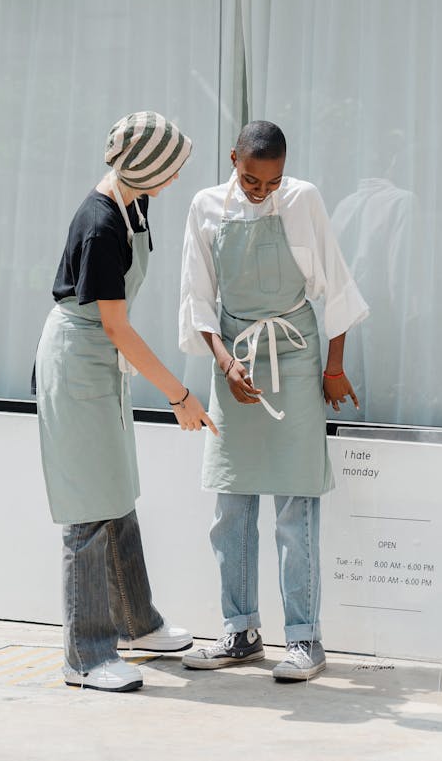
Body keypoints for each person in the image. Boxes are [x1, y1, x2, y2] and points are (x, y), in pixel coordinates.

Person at [34, 111, 218, 693]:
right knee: (88, 509)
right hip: (80, 359)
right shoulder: (101, 223)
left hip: (99, 360)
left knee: (116, 493)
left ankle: (137, 626)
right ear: (145, 167)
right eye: (170, 167)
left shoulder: (132, 202)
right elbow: (116, 325)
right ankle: (85, 656)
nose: (175, 177)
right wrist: (180, 395)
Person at [178, 120, 368, 681]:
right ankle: (240, 631)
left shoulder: (302, 199)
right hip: (233, 357)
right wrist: (225, 363)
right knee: (231, 505)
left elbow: (336, 288)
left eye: (272, 181)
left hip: (296, 354)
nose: (262, 191)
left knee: (296, 502)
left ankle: (306, 639)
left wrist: (333, 369)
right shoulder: (205, 206)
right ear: (233, 158)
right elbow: (198, 297)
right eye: (251, 179)